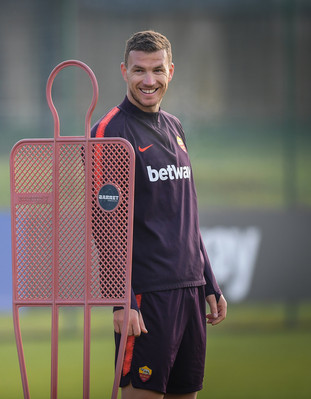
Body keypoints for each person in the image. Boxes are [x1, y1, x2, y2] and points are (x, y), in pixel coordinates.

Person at [91, 30, 227, 399]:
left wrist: (208, 281)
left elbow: (186, 211)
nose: (148, 81)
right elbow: (104, 225)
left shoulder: (175, 127)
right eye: (139, 71)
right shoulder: (109, 132)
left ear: (171, 71)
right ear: (124, 71)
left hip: (190, 291)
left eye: (157, 70)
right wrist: (121, 300)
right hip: (146, 300)